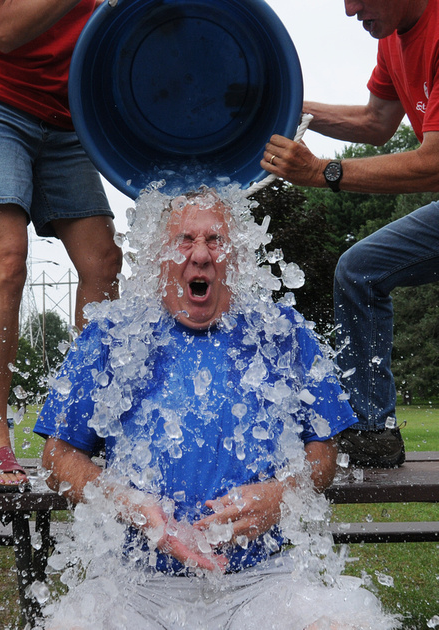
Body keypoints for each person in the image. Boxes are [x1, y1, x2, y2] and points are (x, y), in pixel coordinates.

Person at [33, 187, 399, 629]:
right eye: (185, 240)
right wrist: (128, 502)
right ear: (158, 255)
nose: (201, 255)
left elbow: (322, 455)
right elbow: (56, 460)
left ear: (238, 256)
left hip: (262, 581)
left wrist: (282, 495)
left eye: (217, 240)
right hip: (134, 583)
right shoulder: (112, 336)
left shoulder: (282, 332)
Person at [0, 0, 122, 492]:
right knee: (7, 259)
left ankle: (82, 434)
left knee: (103, 262)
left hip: (67, 116)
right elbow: (3, 27)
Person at [260, 0, 439, 468]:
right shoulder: (392, 37)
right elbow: (376, 124)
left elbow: (435, 161)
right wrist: (279, 106)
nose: (349, 9)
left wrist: (324, 171)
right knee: (359, 270)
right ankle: (372, 429)